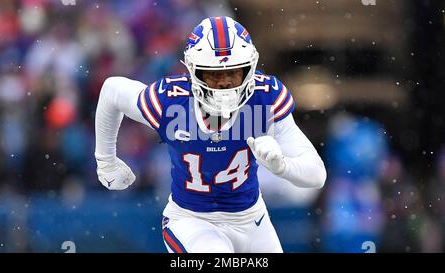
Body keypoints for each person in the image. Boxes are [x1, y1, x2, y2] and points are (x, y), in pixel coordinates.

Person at [94, 16, 327, 253]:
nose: (225, 83)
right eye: (214, 75)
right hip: (192, 220)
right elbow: (112, 90)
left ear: (250, 69)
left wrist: (282, 166)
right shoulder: (172, 102)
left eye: (233, 73)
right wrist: (106, 161)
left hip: (252, 219)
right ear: (195, 73)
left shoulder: (265, 99)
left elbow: (317, 175)